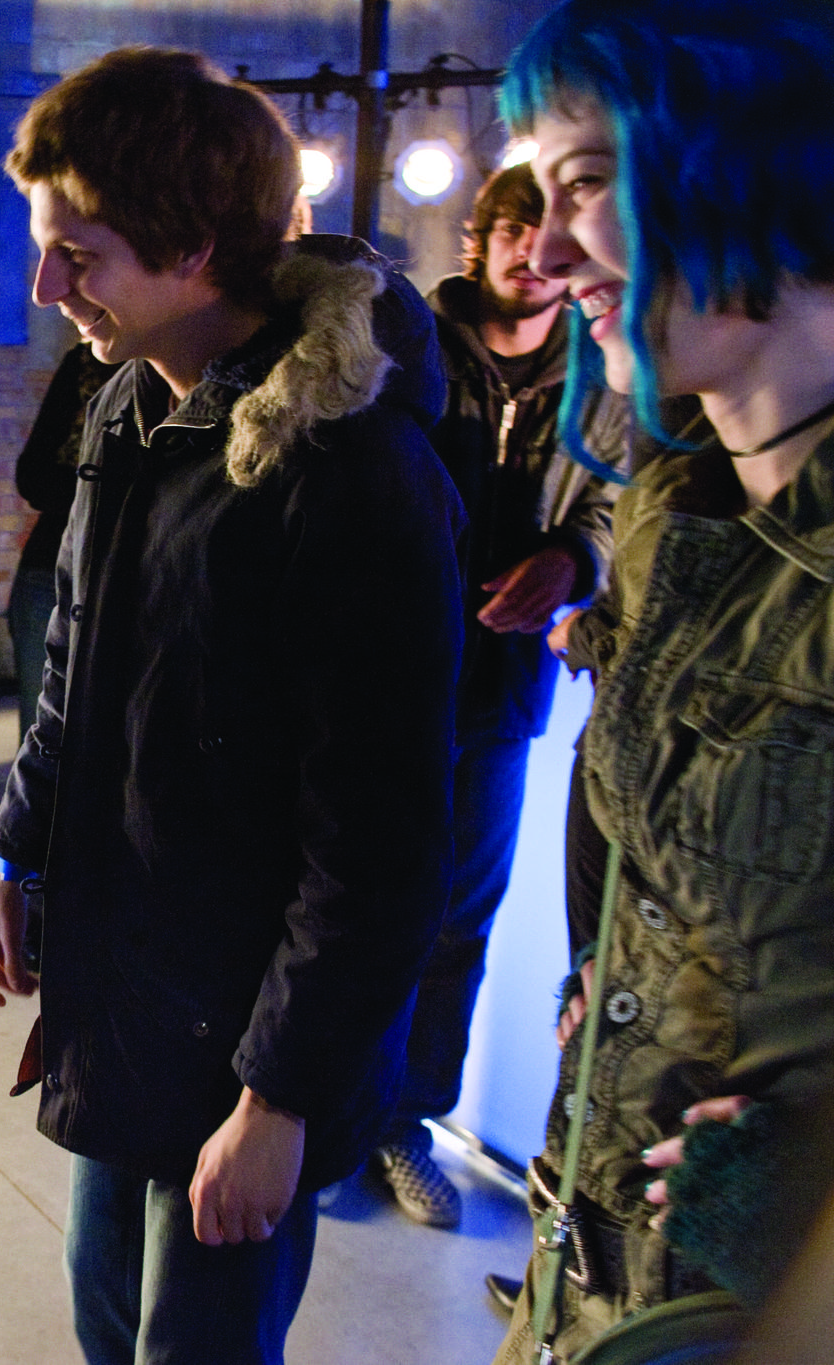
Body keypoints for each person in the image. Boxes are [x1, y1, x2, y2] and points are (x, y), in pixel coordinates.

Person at [0, 47, 463, 1365]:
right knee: (105, 1316)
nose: (45, 290)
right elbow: (75, 665)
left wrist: (280, 1098)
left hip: (246, 1034)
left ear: (192, 249)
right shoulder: (130, 405)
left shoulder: (350, 468)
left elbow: (379, 842)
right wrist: (17, 855)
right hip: (129, 994)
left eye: (80, 256)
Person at [489, 2, 834, 1359]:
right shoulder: (665, 511)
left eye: (586, 182)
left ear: (752, 164)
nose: (545, 251)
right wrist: (619, 975)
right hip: (597, 1275)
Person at [370, 162, 633, 1229]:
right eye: (514, 227)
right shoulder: (407, 345)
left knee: (458, 919)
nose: (533, 251)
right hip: (377, 681)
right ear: (478, 238)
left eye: (550, 227)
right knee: (344, 896)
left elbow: (619, 501)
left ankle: (404, 1120)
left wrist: (572, 560)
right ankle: (317, 1105)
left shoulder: (600, 374)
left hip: (499, 692)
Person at [6, 341, 116, 739]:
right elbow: (32, 476)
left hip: (134, 576)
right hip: (53, 564)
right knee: (43, 734)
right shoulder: (87, 363)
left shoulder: (201, 371)